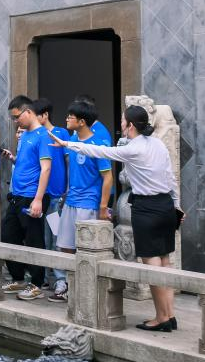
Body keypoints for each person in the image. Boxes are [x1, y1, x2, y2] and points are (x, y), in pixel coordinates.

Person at [50, 105, 181, 330]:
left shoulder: (133, 148)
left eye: (122, 121)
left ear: (130, 125)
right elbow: (170, 178)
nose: (120, 124)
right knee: (165, 261)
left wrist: (67, 144)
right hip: (166, 205)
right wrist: (177, 206)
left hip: (146, 208)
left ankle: (161, 318)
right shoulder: (157, 144)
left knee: (153, 265)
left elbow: (100, 151)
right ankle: (170, 315)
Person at [46, 99, 114, 303]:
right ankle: (68, 285)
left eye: (71, 116)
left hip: (88, 203)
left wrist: (103, 207)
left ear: (82, 121)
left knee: (86, 250)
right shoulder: (72, 141)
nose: (67, 119)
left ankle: (86, 290)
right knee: (65, 246)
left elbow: (108, 177)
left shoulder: (97, 145)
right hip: (71, 201)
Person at [2, 96, 52, 301]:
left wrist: (38, 199)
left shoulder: (43, 136)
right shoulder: (25, 136)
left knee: (34, 240)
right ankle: (19, 278)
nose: (16, 121)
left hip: (32, 196)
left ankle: (37, 284)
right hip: (17, 196)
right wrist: (12, 158)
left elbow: (46, 168)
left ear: (28, 112)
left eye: (17, 117)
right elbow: (27, 163)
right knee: (8, 236)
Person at [34, 97, 71, 291]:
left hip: (56, 196)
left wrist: (68, 189)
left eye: (36, 114)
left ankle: (61, 279)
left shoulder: (61, 133)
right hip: (40, 197)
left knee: (57, 238)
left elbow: (68, 162)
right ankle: (48, 277)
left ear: (45, 115)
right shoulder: (35, 135)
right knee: (43, 239)